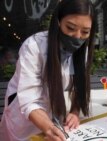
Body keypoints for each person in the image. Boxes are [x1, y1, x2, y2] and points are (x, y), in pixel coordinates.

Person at [0, 0, 96, 140]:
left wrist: (75, 112)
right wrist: (49, 127)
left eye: (85, 31)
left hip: (51, 115)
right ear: (57, 22)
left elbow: (79, 87)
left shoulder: (82, 52)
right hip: (23, 117)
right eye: (70, 27)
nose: (77, 37)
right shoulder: (34, 46)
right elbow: (29, 100)